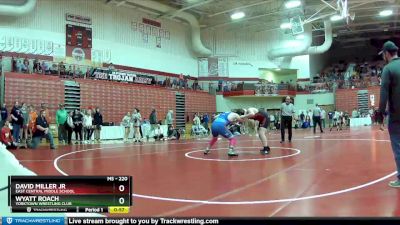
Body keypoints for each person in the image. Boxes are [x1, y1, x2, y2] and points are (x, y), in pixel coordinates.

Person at [378, 41, 400, 188]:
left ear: (386, 53)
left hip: (396, 117)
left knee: (398, 147)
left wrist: (380, 116)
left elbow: (384, 94)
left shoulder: (388, 69)